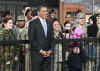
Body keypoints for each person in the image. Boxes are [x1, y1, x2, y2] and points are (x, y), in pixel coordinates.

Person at [28, 5, 54, 71]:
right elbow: (32, 39)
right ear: (38, 12)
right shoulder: (32, 23)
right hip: (37, 55)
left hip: (48, 55)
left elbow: (52, 38)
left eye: (46, 11)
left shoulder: (49, 23)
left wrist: (51, 49)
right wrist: (40, 50)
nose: (46, 13)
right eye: (44, 11)